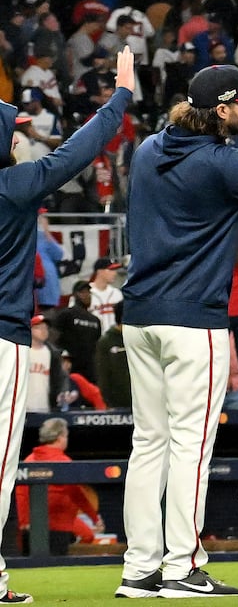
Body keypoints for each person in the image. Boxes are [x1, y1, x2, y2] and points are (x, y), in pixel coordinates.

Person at [118, 64, 238, 599]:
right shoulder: (221, 161)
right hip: (191, 320)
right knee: (190, 447)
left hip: (139, 315)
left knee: (148, 444)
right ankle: (181, 568)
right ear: (222, 109)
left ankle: (140, 569)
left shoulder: (148, 150)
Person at [0, 47, 133, 601]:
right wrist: (120, 97)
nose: (20, 138)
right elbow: (78, 151)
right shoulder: (13, 186)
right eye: (14, 131)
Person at [18, 418, 99, 556]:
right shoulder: (64, 463)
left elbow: (21, 494)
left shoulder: (29, 460)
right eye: (66, 436)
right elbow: (76, 494)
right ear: (60, 437)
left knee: (31, 570)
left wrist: (24, 522)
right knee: (54, 568)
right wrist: (94, 517)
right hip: (58, 530)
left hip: (31, 529)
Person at [51, 281, 102, 385]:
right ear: (75, 295)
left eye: (88, 292)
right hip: (70, 368)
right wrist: (61, 358)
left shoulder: (95, 320)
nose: (86, 296)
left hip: (90, 370)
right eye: (82, 292)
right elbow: (53, 339)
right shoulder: (66, 314)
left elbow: (96, 345)